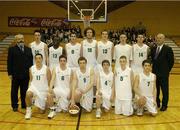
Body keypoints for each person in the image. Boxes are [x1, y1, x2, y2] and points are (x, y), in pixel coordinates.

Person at [7, 34, 33, 112]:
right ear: (15, 40)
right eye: (18, 39)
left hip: (25, 74)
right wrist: (10, 73)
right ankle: (14, 105)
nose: (21, 40)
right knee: (14, 91)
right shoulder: (11, 49)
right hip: (15, 74)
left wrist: (31, 72)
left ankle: (24, 104)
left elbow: (31, 62)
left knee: (24, 90)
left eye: (22, 38)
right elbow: (9, 62)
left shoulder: (28, 49)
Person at [150, 33, 174, 111]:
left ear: (163, 39)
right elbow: (152, 61)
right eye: (157, 38)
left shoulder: (168, 49)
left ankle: (164, 105)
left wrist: (167, 70)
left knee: (164, 90)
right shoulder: (153, 49)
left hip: (164, 74)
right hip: (155, 74)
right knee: (155, 89)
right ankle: (157, 103)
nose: (158, 39)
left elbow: (171, 61)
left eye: (160, 38)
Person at [25, 53, 51, 120]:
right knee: (28, 94)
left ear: (42, 59)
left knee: (41, 112)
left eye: (39, 58)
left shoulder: (46, 69)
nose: (38, 60)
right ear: (35, 59)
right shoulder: (31, 68)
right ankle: (28, 110)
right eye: (36, 58)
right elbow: (31, 80)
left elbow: (49, 80)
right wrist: (29, 88)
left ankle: (42, 102)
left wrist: (49, 91)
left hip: (43, 90)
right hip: (34, 88)